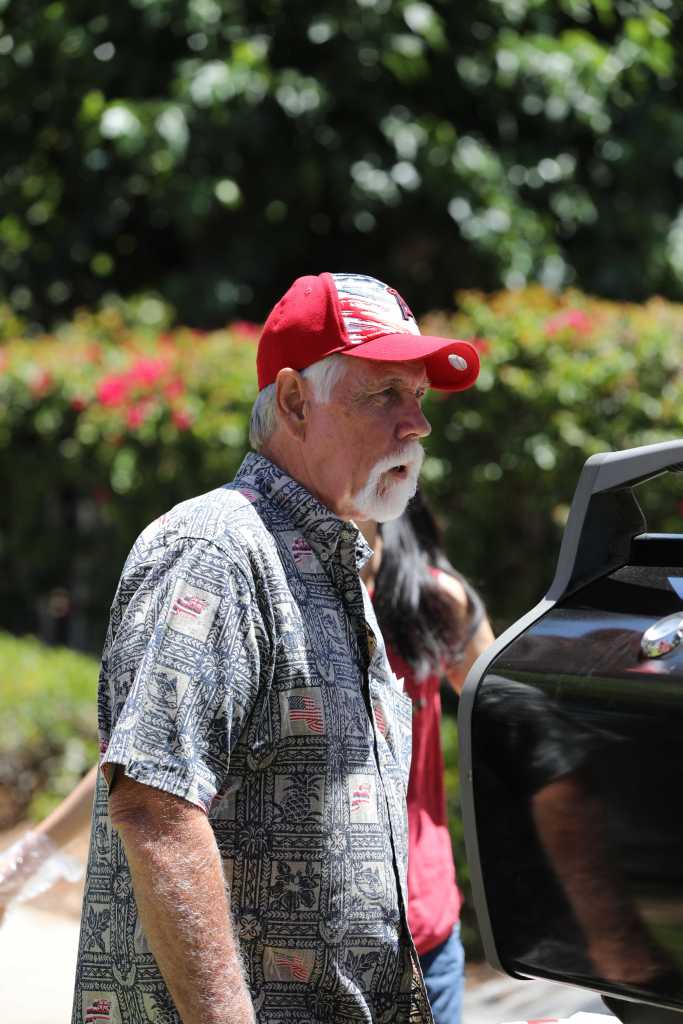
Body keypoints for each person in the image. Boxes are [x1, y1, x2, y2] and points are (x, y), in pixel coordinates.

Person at [68, 272, 481, 1024]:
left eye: (419, 397)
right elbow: (154, 805)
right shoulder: (216, 549)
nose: (417, 424)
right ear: (293, 400)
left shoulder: (331, 556)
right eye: (385, 394)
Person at [357, 492, 494, 1024]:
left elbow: (507, 722)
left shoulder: (430, 601)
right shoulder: (282, 595)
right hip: (315, 949)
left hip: (425, 929)